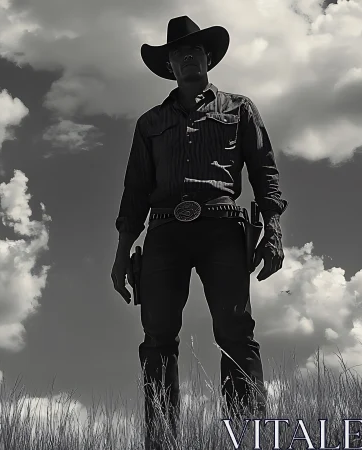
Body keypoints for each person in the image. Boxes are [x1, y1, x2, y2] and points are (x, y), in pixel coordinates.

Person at [110, 15, 289, 449]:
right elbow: (135, 191)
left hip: (223, 228)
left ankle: (247, 436)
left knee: (235, 332)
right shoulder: (150, 123)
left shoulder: (239, 108)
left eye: (195, 51)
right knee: (157, 338)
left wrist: (273, 229)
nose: (187, 58)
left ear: (208, 59)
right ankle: (160, 441)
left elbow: (264, 170)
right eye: (178, 54)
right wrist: (121, 254)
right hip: (164, 233)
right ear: (169, 66)